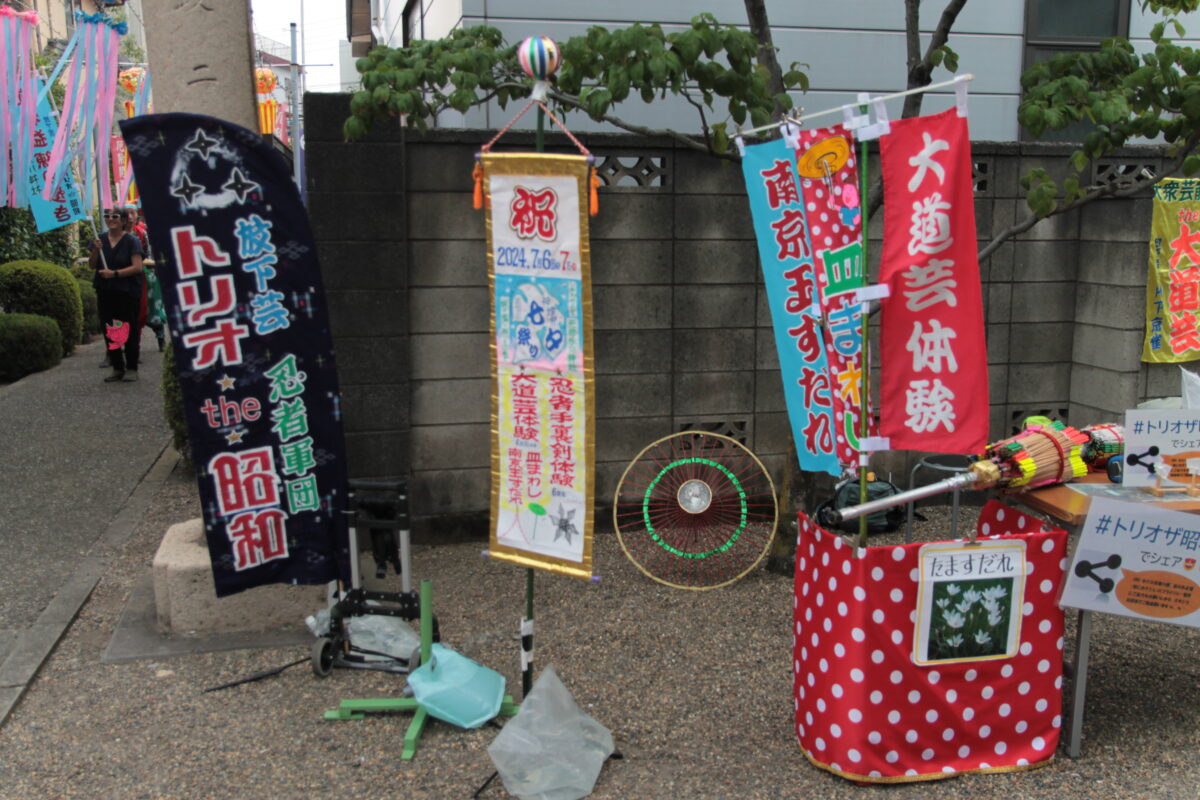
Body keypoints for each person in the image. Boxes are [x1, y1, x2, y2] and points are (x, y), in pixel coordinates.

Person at [90, 208, 145, 382]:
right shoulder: (99, 239)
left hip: (126, 292)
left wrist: (114, 274)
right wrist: (96, 250)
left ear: (123, 220)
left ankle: (131, 367)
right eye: (107, 216)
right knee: (110, 329)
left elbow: (138, 267)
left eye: (115, 216)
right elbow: (92, 265)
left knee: (129, 328)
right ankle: (117, 367)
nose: (110, 219)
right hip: (105, 291)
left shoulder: (132, 241)